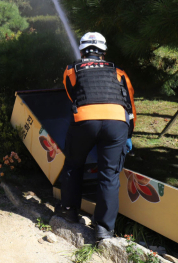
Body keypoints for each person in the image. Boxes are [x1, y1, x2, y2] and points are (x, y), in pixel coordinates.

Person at [57, 32, 136, 241]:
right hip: (117, 122)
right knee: (109, 174)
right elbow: (130, 105)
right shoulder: (119, 72)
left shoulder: (71, 70)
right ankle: (103, 229)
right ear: (104, 52)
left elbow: (72, 96)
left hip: (85, 120)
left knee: (74, 164)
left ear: (82, 50)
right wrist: (129, 134)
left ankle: (69, 211)